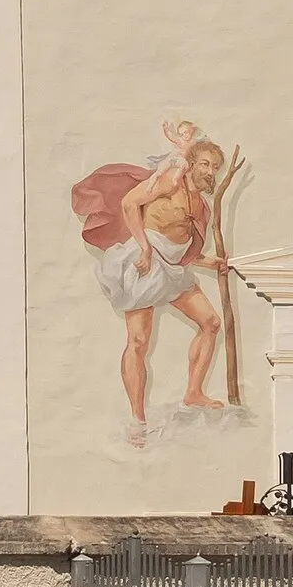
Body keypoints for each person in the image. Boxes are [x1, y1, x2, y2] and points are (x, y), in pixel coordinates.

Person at [71, 122, 229, 439]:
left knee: (210, 322)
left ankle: (194, 392)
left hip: (172, 270)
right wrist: (143, 248)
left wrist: (209, 262)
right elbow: (130, 203)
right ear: (192, 163)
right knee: (139, 342)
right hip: (144, 265)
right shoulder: (170, 181)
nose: (210, 171)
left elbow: (182, 249)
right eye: (205, 164)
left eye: (215, 167)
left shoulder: (202, 206)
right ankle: (138, 418)